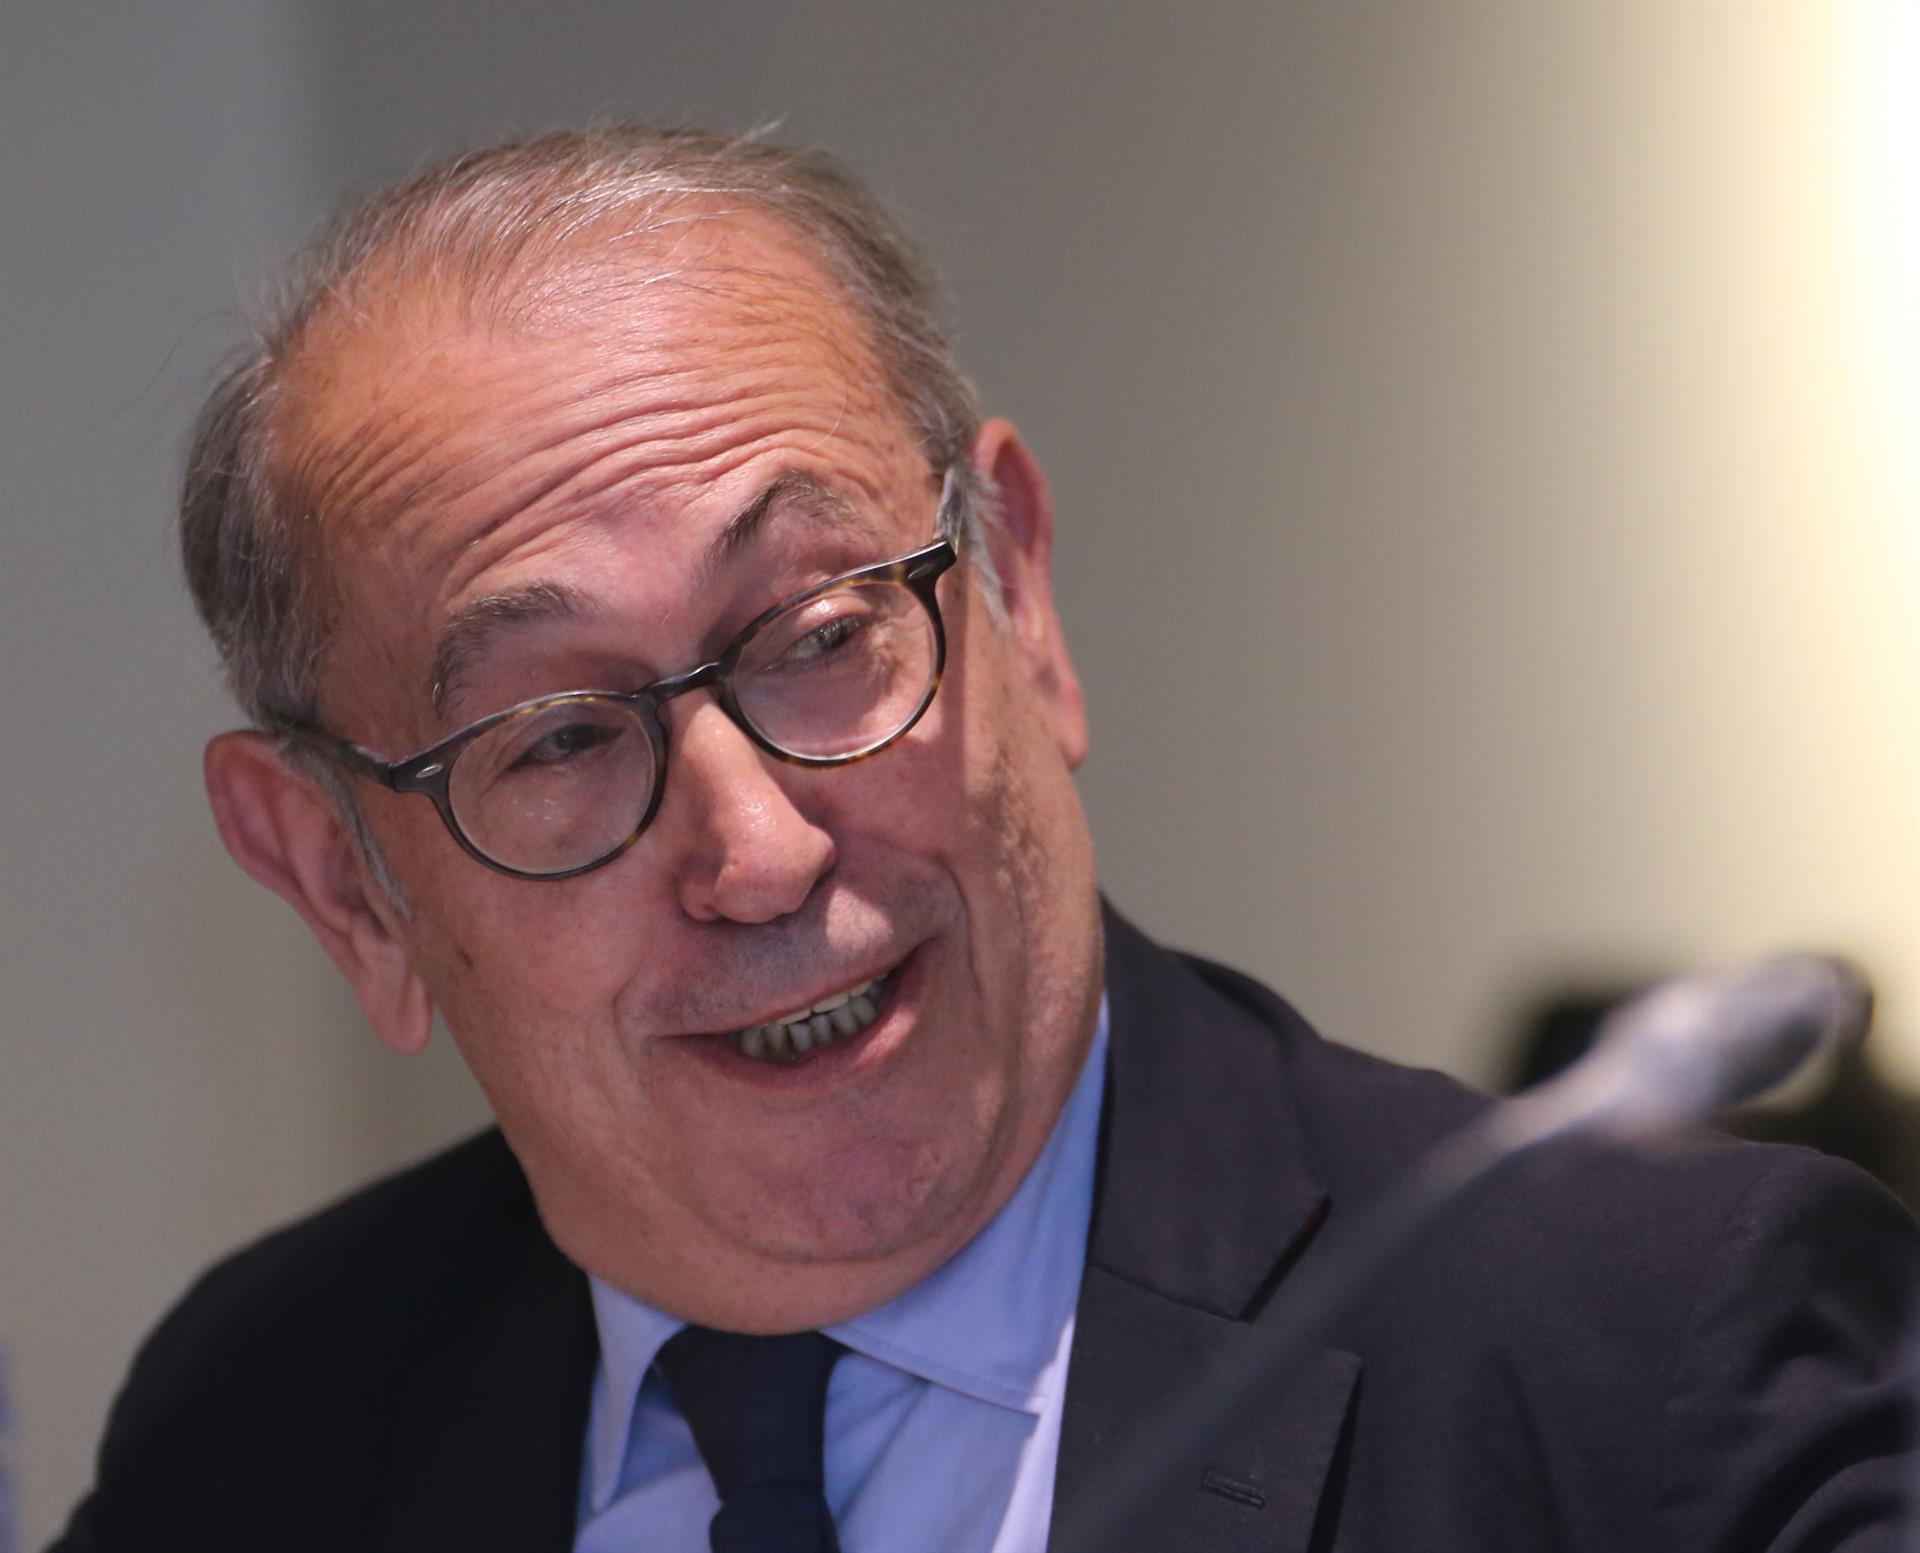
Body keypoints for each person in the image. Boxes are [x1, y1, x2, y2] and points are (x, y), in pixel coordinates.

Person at [54, 124, 1919, 1553]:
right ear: (346, 883)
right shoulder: (267, 1418)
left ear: (1016, 592)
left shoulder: (1654, 1350)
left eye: (819, 636)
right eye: (557, 738)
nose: (757, 851)